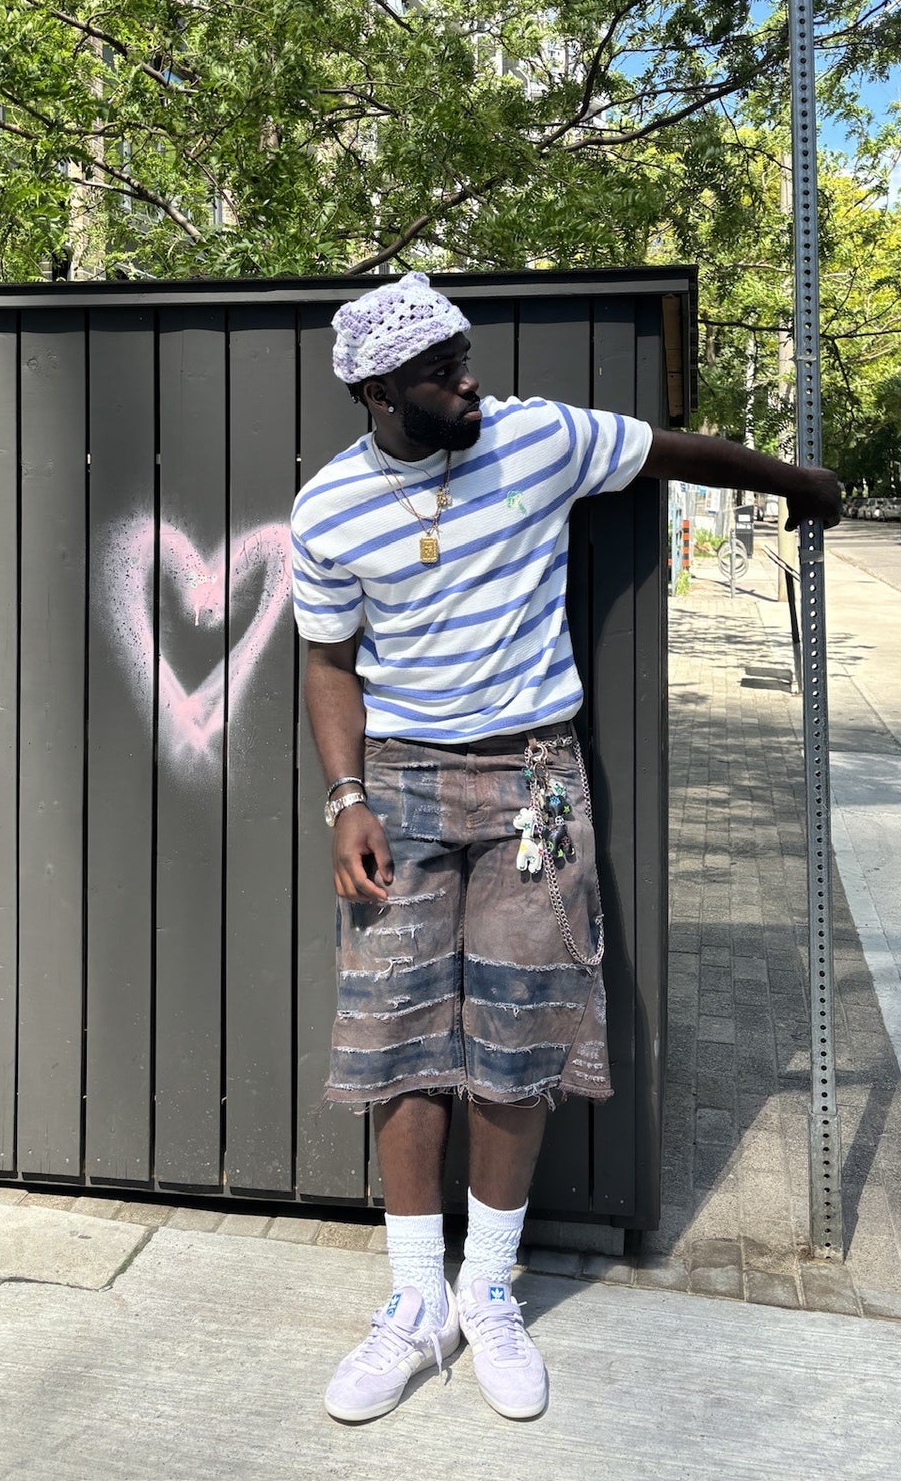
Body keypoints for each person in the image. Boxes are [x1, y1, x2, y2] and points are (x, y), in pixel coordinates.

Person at [290, 274, 840, 1425]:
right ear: (375, 390)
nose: (468, 379)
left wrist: (801, 487)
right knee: (400, 1043)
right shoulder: (329, 510)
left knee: (521, 1030)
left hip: (534, 779)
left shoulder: (534, 437)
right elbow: (328, 664)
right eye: (440, 372)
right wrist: (345, 797)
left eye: (464, 356)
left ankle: (487, 1288)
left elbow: (672, 451)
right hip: (399, 785)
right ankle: (413, 1304)